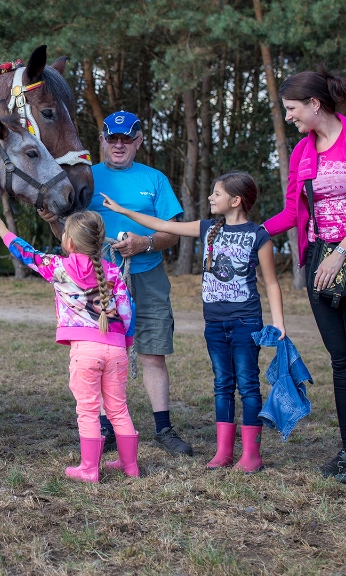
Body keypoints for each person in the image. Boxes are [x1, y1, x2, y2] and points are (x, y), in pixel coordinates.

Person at [102, 172, 287, 472]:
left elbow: (272, 283)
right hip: (214, 323)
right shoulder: (207, 229)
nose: (211, 198)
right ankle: (224, 451)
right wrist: (123, 211)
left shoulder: (259, 236)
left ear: (236, 200)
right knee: (222, 385)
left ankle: (251, 455)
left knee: (249, 387)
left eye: (217, 193)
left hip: (246, 323)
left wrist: (278, 323)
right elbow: (163, 225)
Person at [264, 69, 346, 484]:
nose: (288, 118)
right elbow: (291, 212)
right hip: (319, 261)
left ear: (315, 104)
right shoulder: (303, 151)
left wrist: (340, 253)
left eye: (292, 109)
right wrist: (246, 233)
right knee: (341, 363)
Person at [41, 110, 194, 456]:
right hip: (98, 281)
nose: (119, 145)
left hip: (148, 276)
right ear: (102, 141)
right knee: (104, 356)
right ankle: (106, 428)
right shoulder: (86, 179)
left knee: (153, 353)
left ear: (138, 141)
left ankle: (164, 428)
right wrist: (53, 221)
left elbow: (172, 233)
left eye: (127, 139)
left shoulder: (155, 180)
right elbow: (68, 234)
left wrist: (145, 243)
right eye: (113, 138)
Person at [0, 209, 140, 482]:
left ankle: (89, 469)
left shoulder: (58, 267)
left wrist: (2, 232)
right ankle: (130, 466)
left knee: (88, 410)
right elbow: (128, 311)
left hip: (85, 351)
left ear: (69, 243)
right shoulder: (113, 271)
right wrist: (126, 343)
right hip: (116, 349)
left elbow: (28, 255)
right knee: (118, 408)